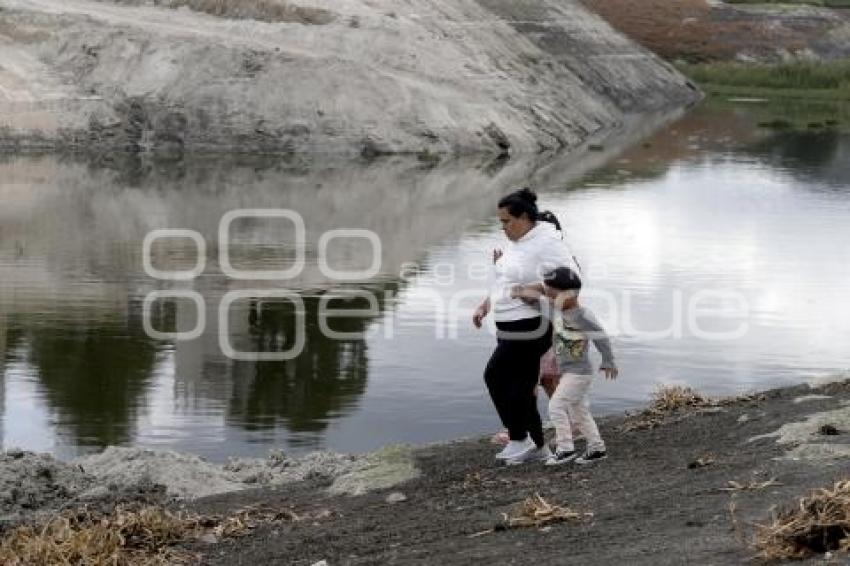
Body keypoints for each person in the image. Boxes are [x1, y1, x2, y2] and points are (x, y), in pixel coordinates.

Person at [473, 187, 576, 465]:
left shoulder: (547, 242)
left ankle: (520, 439)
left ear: (523, 218)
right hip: (508, 324)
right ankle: (536, 445)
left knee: (495, 376)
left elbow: (571, 280)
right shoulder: (519, 242)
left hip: (531, 324)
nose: (503, 228)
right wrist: (486, 304)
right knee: (520, 383)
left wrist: (534, 290)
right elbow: (504, 281)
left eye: (506, 221)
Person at [511, 266, 618, 466]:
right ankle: (597, 448)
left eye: (554, 296)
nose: (551, 299)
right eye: (549, 295)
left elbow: (601, 337)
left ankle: (565, 449)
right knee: (579, 413)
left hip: (580, 373)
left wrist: (608, 361)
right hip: (568, 372)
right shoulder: (555, 311)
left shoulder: (583, 316)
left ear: (571, 294)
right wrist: (519, 290)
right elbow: (532, 300)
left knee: (556, 406)